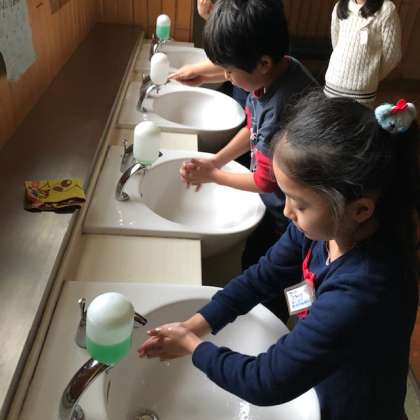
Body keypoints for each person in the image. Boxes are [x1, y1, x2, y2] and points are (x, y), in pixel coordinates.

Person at [138, 91, 419, 420]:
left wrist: (193, 347)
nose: (287, 211)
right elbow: (262, 277)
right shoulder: (322, 230)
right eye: (285, 196)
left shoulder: (365, 288)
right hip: (320, 379)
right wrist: (196, 324)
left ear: (359, 210)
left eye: (300, 204)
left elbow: (264, 381)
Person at [181, 0, 317, 285]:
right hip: (284, 203)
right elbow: (252, 130)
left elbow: (264, 182)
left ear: (263, 63)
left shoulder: (281, 107)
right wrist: (216, 160)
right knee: (256, 261)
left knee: (268, 273)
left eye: (229, 71)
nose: (226, 77)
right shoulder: (282, 70)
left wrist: (213, 175)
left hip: (289, 214)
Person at [324, 0, 402, 106]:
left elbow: (393, 54)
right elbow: (336, 43)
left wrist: (372, 75)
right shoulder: (339, 6)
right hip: (332, 84)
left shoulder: (387, 9)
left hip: (362, 92)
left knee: (356, 117)